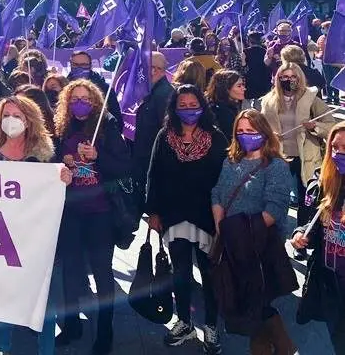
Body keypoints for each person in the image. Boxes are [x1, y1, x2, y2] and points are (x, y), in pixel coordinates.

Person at [0, 95, 71, 355]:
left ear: (29, 121)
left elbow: (59, 196)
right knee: (2, 302)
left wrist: (64, 178)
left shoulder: (47, 154)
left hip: (37, 241)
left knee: (44, 305)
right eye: (6, 115)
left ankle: (45, 351)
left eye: (17, 116)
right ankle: (4, 348)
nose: (11, 121)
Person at [146, 85, 227, 354]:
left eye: (194, 104)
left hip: (206, 217)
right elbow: (153, 174)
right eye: (183, 105)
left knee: (209, 274)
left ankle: (212, 325)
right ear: (174, 107)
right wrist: (153, 212)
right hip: (174, 216)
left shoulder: (215, 138)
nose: (189, 110)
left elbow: (225, 178)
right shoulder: (164, 136)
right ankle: (184, 321)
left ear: (202, 106)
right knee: (180, 273)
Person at [54, 79, 131, 354]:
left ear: (95, 101)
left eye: (86, 98)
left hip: (101, 212)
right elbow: (52, 161)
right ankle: (71, 324)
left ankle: (105, 330)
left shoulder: (107, 124)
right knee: (71, 272)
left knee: (101, 272)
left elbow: (124, 166)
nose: (80, 103)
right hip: (71, 211)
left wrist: (98, 156)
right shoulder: (61, 126)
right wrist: (59, 171)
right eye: (74, 98)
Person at [211, 109, 296, 354]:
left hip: (258, 246)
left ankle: (286, 347)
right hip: (231, 244)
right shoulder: (231, 161)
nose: (245, 135)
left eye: (251, 131)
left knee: (259, 303)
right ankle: (279, 349)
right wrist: (220, 221)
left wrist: (239, 231)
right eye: (241, 131)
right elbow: (217, 191)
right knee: (251, 306)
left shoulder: (275, 166)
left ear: (263, 132)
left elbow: (274, 210)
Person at [291, 121, 345, 353]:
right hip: (329, 280)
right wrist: (299, 235)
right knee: (337, 337)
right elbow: (310, 225)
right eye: (335, 147)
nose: (338, 153)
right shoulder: (323, 182)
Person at [260, 62, 332, 230]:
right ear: (278, 78)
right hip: (279, 156)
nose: (289, 80)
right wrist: (269, 135)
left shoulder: (311, 98)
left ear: (299, 78)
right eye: (284, 77)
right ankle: (276, 236)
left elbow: (331, 126)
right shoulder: (269, 100)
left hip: (306, 156)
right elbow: (260, 126)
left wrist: (315, 126)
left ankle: (301, 234)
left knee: (304, 199)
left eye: (293, 76)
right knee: (277, 197)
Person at [132, 52, 173, 202]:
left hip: (153, 158)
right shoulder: (154, 92)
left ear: (155, 70)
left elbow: (166, 129)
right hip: (146, 155)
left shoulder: (164, 94)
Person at [68, 50, 122, 128]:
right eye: (75, 65)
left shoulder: (104, 88)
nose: (79, 68)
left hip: (99, 133)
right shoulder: (64, 86)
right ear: (70, 65)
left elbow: (117, 119)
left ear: (90, 66)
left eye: (84, 65)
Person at [206, 69, 245, 138]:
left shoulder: (231, 107)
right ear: (226, 89)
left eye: (243, 85)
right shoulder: (222, 112)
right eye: (239, 86)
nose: (244, 88)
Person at [318, 20, 342, 105]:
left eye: (323, 28)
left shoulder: (336, 37)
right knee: (327, 80)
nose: (322, 29)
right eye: (322, 28)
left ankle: (336, 98)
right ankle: (329, 97)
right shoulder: (321, 38)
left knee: (335, 79)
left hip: (334, 62)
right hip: (324, 62)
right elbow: (318, 49)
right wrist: (317, 55)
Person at [244, 32, 272, 101]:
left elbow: (244, 67)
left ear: (249, 41)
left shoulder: (245, 52)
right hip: (263, 82)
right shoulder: (265, 51)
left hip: (250, 82)